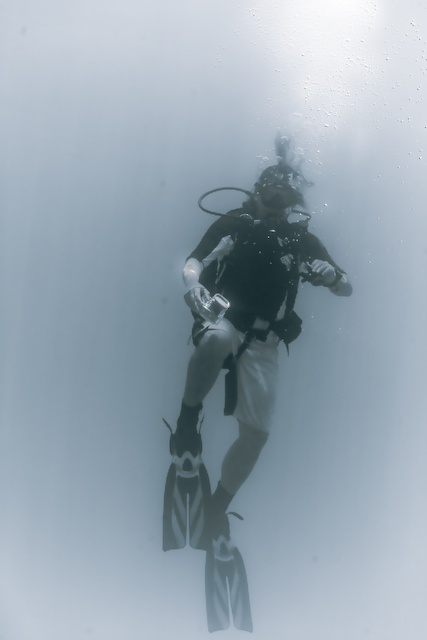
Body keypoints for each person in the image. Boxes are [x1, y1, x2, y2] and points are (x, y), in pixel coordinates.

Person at [164, 156, 352, 549]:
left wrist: (332, 275)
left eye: (285, 199)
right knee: (215, 341)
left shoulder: (301, 241)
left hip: (265, 340)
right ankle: (187, 428)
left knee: (257, 436)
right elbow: (195, 259)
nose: (277, 204)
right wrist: (192, 286)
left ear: (293, 204)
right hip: (224, 319)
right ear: (257, 194)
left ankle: (217, 507)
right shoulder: (236, 223)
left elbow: (345, 286)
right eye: (271, 195)